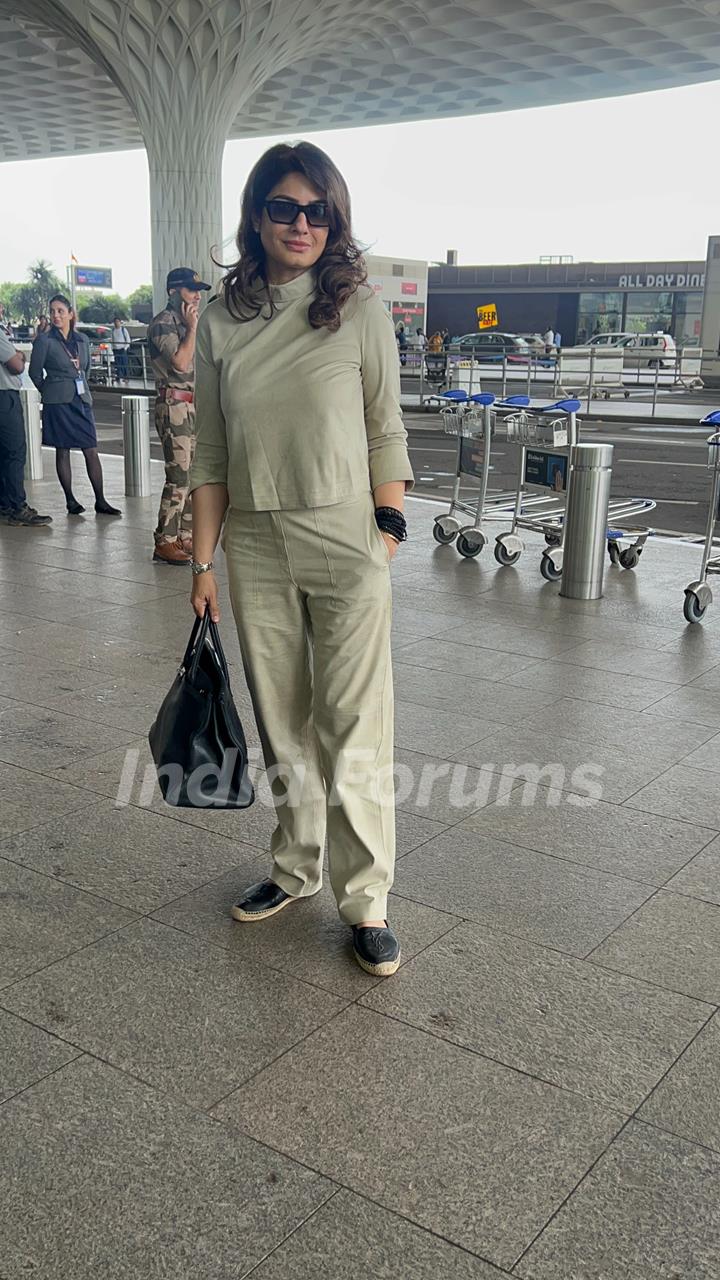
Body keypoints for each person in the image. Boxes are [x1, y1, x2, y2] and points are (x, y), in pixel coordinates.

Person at [189, 140, 414, 977]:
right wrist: (202, 565)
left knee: (355, 722)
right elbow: (209, 451)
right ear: (256, 214)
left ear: (335, 220)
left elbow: (385, 425)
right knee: (283, 718)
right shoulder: (221, 317)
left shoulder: (359, 308)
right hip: (253, 539)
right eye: (284, 207)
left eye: (318, 211)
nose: (301, 224)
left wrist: (386, 531)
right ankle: (295, 867)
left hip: (344, 533)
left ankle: (368, 902)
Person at [28, 294, 121, 517]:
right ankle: (70, 500)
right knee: (63, 449)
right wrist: (50, 389)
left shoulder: (82, 340)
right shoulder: (45, 340)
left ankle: (101, 500)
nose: (56, 315)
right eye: (52, 311)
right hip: (57, 400)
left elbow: (85, 369)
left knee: (90, 448)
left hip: (80, 398)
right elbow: (34, 372)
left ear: (71, 313)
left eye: (60, 311)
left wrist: (80, 386)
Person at [148, 266, 211, 565]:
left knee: (193, 474)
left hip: (192, 405)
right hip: (173, 406)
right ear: (173, 291)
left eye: (198, 290)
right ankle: (165, 539)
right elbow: (181, 364)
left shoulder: (187, 322)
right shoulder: (163, 323)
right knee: (179, 474)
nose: (197, 296)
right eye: (190, 289)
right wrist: (193, 328)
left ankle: (185, 534)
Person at [0, 326, 52, 526]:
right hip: (5, 397)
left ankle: (4, 502)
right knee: (14, 452)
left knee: (3, 454)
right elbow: (17, 366)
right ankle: (17, 507)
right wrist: (18, 356)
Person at [110, 316, 131, 383]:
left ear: (120, 322)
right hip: (116, 349)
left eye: (117, 322)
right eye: (115, 322)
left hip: (122, 349)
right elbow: (112, 340)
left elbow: (128, 340)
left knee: (124, 363)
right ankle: (118, 377)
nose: (116, 323)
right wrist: (112, 348)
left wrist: (125, 348)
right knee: (118, 364)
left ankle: (126, 377)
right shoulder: (113, 330)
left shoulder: (123, 330)